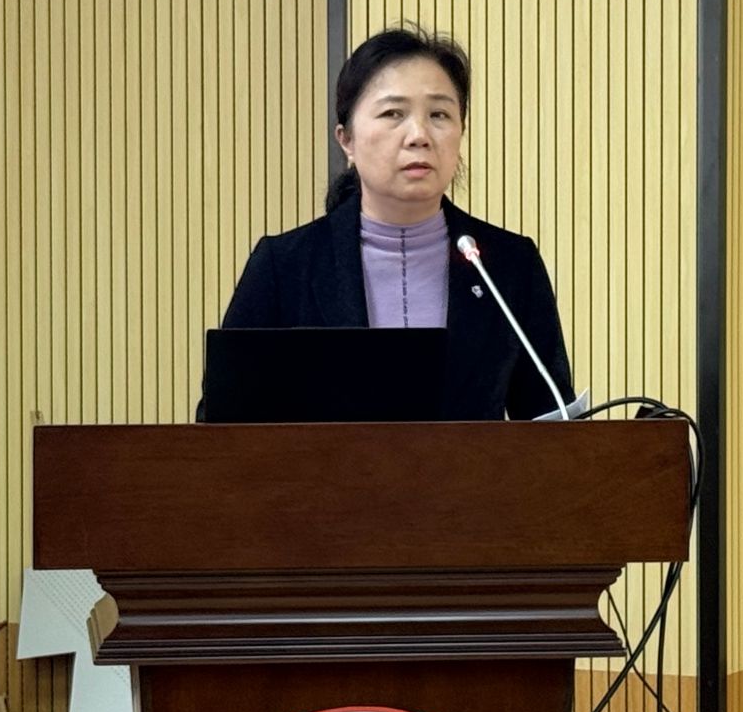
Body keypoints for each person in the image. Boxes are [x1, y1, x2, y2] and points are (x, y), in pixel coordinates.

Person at [215, 25, 575, 420]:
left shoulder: (508, 266)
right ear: (346, 140)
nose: (419, 135)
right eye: (393, 114)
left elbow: (552, 424)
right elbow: (223, 428)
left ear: (461, 131)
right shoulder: (285, 266)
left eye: (439, 114)